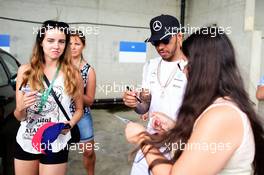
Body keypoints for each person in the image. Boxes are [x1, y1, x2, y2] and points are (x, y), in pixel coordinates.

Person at [125, 27, 264, 175]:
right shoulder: (220, 105)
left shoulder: (222, 115)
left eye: (186, 65)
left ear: (203, 68)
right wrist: (174, 129)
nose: (184, 71)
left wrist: (143, 138)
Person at [14, 20, 83, 175]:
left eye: (61, 41)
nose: (56, 46)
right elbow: (19, 116)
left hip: (56, 141)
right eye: (50, 40)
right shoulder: (25, 71)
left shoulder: (73, 73)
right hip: (26, 139)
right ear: (41, 42)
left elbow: (79, 109)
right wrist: (21, 107)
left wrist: (69, 125)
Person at [123, 14, 187, 175]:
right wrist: (135, 103)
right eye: (155, 43)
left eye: (165, 41)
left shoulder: (191, 68)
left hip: (180, 144)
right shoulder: (150, 66)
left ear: (179, 36)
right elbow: (144, 107)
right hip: (151, 138)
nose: (160, 47)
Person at [69, 30, 96, 175]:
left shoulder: (88, 70)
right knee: (56, 151)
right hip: (60, 113)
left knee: (89, 152)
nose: (73, 47)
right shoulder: (58, 67)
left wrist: (74, 92)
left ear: (83, 46)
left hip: (82, 114)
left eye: (77, 44)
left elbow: (90, 100)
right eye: (70, 43)